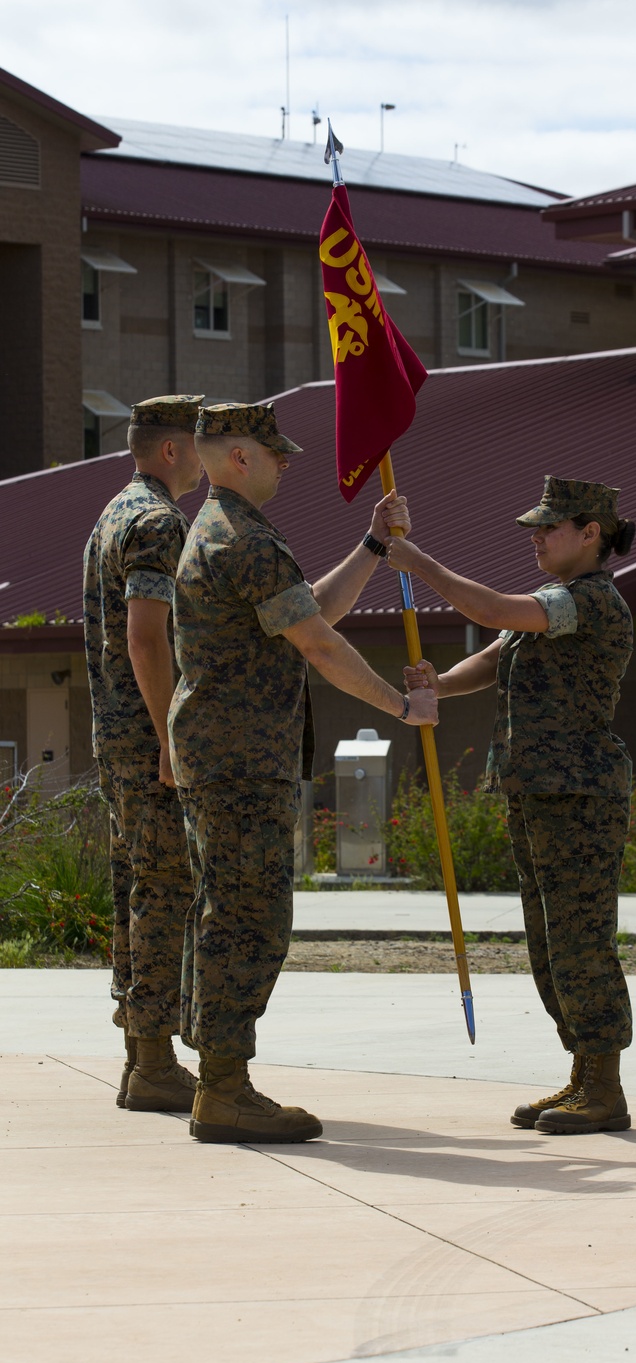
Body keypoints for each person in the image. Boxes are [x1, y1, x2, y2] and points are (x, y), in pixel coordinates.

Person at [168, 401, 437, 1145]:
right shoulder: (243, 539)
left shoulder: (226, 532)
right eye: (274, 451)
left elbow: (309, 611)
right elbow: (317, 644)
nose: (287, 462)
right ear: (237, 457)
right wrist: (401, 708)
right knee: (250, 919)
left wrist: (373, 546)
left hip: (229, 755)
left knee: (230, 911)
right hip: (241, 759)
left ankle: (219, 1077)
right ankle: (223, 1088)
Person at [386, 475, 636, 1134]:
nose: (536, 537)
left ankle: (604, 1085)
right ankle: (583, 1072)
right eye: (534, 526)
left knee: (580, 941)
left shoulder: (592, 600)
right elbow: (497, 655)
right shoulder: (552, 603)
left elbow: (495, 614)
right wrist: (437, 686)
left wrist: (420, 564)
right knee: (549, 943)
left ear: (591, 533)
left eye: (550, 527)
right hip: (536, 790)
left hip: (578, 794)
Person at [83, 393, 205, 1113]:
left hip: (114, 736)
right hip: (145, 737)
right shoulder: (159, 521)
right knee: (164, 889)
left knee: (136, 884)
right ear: (171, 450)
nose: (204, 461)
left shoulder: (113, 513)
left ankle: (140, 1054)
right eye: (197, 446)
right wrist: (170, 735)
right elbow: (145, 636)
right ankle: (155, 1058)